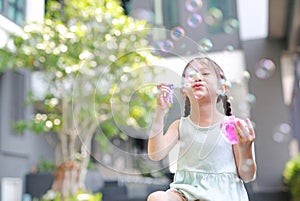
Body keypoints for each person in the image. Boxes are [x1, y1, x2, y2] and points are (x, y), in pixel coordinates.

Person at [147, 57, 256, 201]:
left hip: (222, 195)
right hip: (186, 193)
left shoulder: (233, 126)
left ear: (222, 87)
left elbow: (247, 175)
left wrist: (245, 148)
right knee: (157, 198)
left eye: (205, 74)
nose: (197, 78)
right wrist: (160, 111)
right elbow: (155, 154)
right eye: (191, 75)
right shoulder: (180, 126)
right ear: (184, 91)